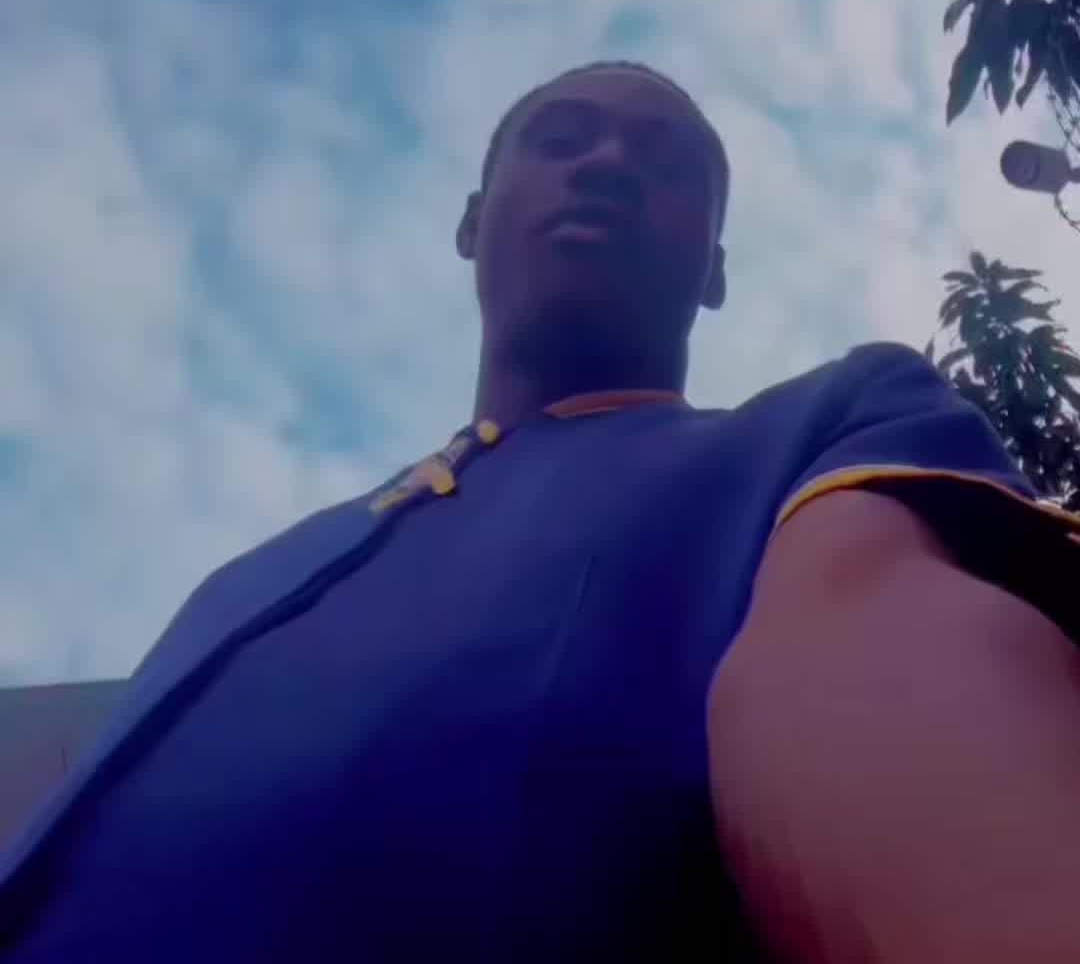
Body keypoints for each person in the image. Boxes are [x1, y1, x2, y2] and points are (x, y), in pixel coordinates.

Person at [2, 59, 1080, 962]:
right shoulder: (242, 585)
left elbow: (882, 657)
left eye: (665, 164)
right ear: (473, 223)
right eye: (562, 140)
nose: (606, 164)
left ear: (713, 270)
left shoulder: (820, 435)